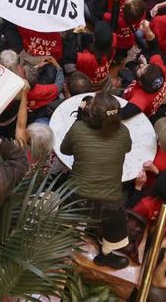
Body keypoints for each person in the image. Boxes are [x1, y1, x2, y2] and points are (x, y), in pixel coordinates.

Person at [60, 92, 131, 269]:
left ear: (90, 114)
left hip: (75, 199)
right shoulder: (122, 133)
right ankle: (106, 255)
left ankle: (61, 248)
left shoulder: (79, 129)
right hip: (108, 206)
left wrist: (79, 118)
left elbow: (65, 150)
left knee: (65, 215)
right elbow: (128, 148)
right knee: (117, 220)